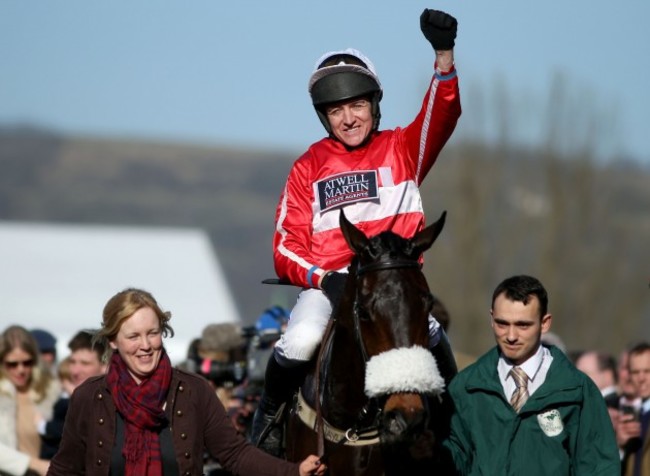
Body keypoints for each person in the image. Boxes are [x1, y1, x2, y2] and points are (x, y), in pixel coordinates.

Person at [251, 7, 462, 455]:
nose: (348, 118)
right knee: (304, 337)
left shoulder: (404, 148)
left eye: (357, 105)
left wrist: (444, 56)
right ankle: (267, 423)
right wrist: (325, 278)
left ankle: (457, 427)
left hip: (392, 290)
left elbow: (440, 116)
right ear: (323, 117)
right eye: (335, 110)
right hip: (330, 288)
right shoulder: (307, 166)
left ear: (374, 105)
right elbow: (285, 248)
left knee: (433, 334)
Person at [46, 288, 326, 476]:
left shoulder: (192, 390)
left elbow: (234, 454)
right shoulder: (91, 397)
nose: (145, 345)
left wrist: (293, 471)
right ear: (113, 341)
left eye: (152, 333)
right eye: (133, 336)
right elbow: (65, 467)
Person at [442, 275, 620, 475]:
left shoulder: (577, 390)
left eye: (522, 325)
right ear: (491, 318)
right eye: (502, 323)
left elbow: (599, 467)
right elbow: (453, 460)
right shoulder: (465, 387)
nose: (510, 336)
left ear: (545, 323)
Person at [37, 330, 107, 459]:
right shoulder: (61, 394)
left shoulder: (109, 403)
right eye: (72, 362)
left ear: (105, 366)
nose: (75, 371)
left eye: (85, 363)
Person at [0, 326, 59, 476]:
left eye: (27, 362)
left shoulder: (49, 391)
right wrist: (34, 464)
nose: (21, 370)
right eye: (12, 364)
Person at [617, 342, 650, 474]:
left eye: (647, 371)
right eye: (635, 372)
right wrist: (620, 446)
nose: (641, 378)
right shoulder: (633, 415)